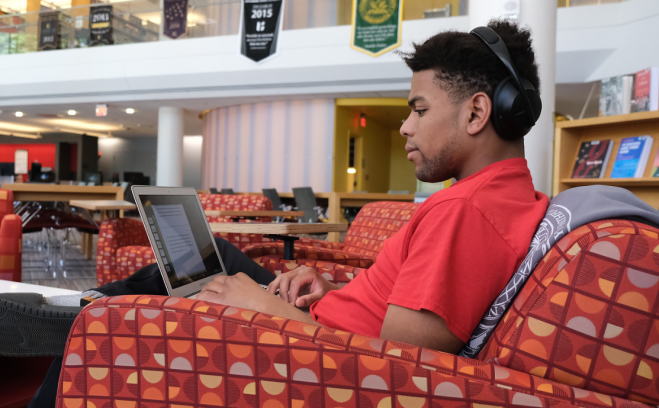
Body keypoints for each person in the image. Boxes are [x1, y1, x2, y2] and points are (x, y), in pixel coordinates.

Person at [1, 19, 549, 406]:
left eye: (419, 109)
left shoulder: (467, 211)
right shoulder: (497, 195)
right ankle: (72, 309)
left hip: (306, 355)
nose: (406, 126)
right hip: (316, 325)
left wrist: (267, 309)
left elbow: (397, 368)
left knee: (116, 321)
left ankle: (68, 319)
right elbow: (394, 320)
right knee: (212, 263)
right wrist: (326, 295)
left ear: (479, 111)